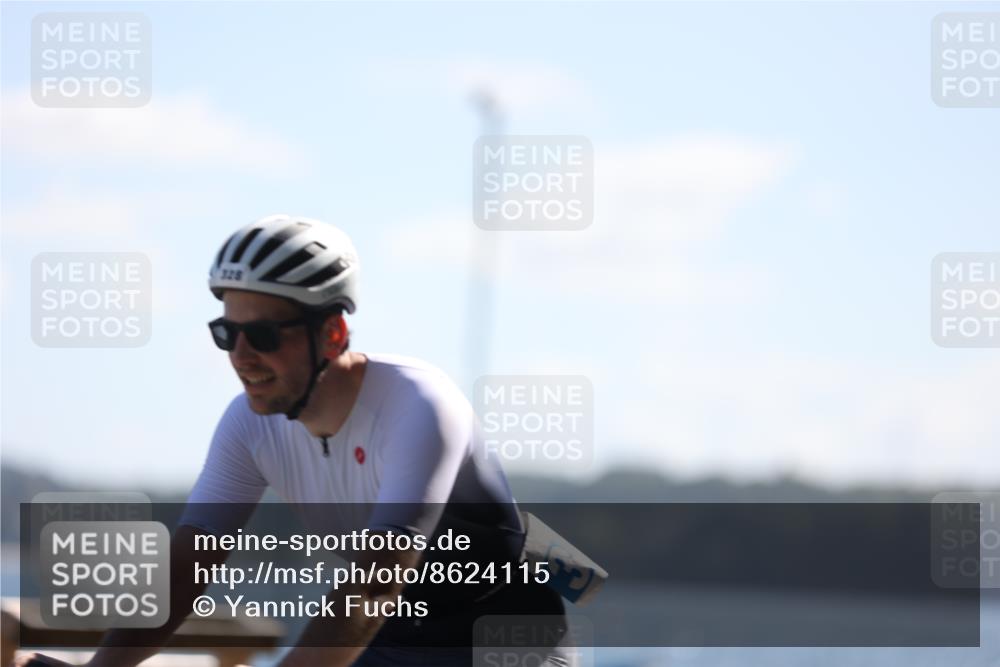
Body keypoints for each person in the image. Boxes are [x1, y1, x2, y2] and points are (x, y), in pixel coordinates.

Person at [15, 215, 573, 667]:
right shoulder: (248, 425)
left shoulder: (419, 404)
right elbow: (186, 570)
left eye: (261, 334)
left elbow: (374, 586)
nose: (241, 356)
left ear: (332, 333)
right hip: (390, 640)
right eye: (226, 334)